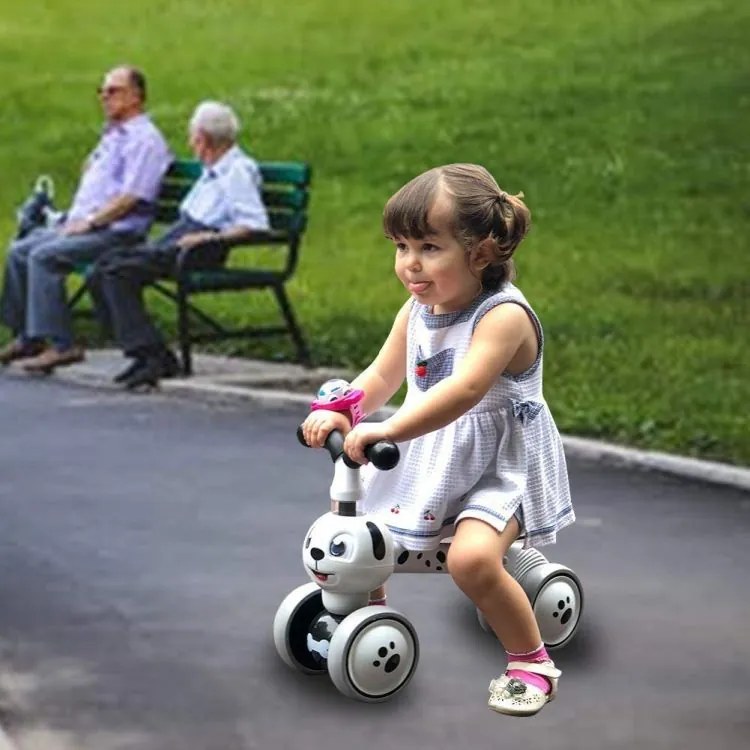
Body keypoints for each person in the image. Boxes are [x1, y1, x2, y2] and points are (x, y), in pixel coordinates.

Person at [301, 164, 574, 717]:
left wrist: (389, 427)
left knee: (471, 561)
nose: (410, 264)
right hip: (432, 452)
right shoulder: (418, 311)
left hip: (502, 466)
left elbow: (466, 390)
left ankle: (530, 660)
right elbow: (381, 376)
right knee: (360, 521)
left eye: (429, 246)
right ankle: (363, 608)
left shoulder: (504, 317)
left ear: (482, 251)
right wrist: (343, 409)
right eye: (401, 246)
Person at [87, 100, 270, 389]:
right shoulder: (213, 169)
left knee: (117, 272)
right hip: (181, 238)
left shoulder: (237, 171)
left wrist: (209, 237)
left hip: (200, 248)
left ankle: (152, 357)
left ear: (202, 139)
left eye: (192, 136)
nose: (191, 143)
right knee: (101, 267)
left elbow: (254, 223)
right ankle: (146, 353)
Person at [0, 65, 172, 371]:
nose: (105, 97)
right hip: (85, 225)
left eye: (114, 91)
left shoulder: (145, 140)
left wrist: (92, 222)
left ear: (136, 96)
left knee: (43, 256)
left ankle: (62, 345)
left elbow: (132, 196)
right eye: (102, 91)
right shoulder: (114, 135)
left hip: (116, 232)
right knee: (19, 250)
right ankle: (28, 336)